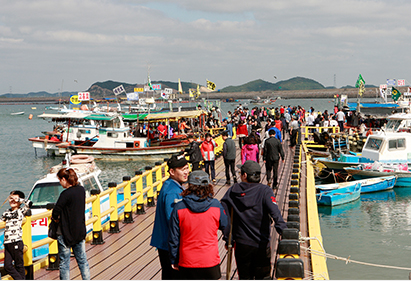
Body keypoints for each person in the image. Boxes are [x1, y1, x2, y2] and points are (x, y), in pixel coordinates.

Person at [221, 161, 287, 280]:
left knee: (245, 277)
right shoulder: (265, 191)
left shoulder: (233, 191)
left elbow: (224, 215)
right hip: (261, 243)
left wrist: (227, 238)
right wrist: (283, 230)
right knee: (264, 277)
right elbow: (275, 212)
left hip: (242, 244)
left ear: (245, 175)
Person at [168, 170, 228, 280]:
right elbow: (226, 227)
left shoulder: (179, 207)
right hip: (210, 260)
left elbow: (173, 237)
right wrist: (228, 241)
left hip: (187, 260)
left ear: (189, 186)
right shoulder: (216, 205)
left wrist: (174, 259)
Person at [150, 154, 189, 280]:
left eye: (187, 168)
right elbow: (173, 220)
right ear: (172, 171)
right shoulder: (173, 192)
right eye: (182, 169)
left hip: (164, 241)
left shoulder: (169, 185)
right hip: (169, 244)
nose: (186, 172)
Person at [53, 168, 90, 280]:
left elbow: (55, 212)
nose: (60, 183)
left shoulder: (65, 194)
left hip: (65, 233)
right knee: (82, 260)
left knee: (64, 262)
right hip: (79, 231)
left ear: (64, 179)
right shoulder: (81, 190)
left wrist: (56, 219)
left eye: (60, 180)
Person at [2, 191, 32, 280]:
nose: (12, 201)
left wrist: (19, 199)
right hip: (7, 243)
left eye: (15, 199)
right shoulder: (6, 212)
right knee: (7, 266)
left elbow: (29, 203)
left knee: (19, 266)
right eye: (10, 198)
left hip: (16, 242)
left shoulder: (21, 211)